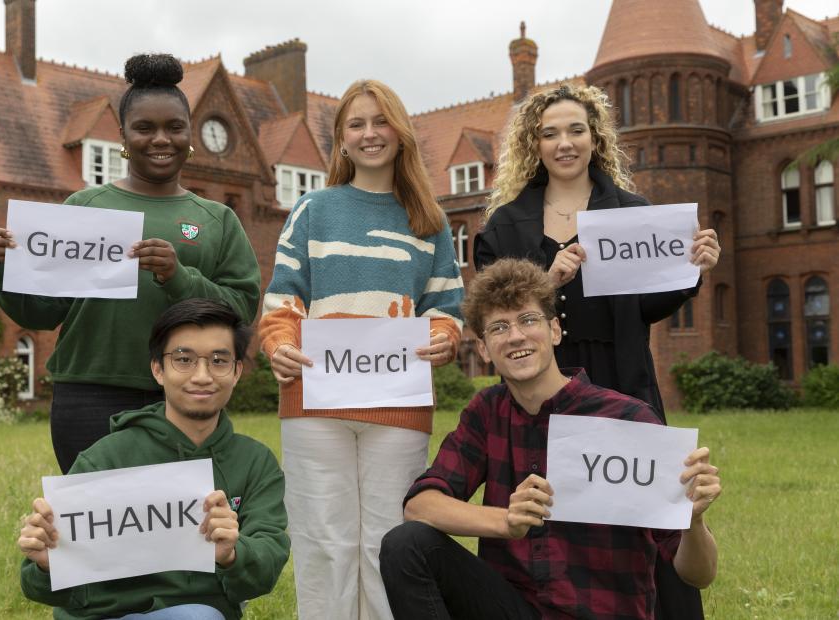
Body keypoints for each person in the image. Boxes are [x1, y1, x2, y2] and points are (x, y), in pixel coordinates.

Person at [472, 84, 720, 619]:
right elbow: (493, 308)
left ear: (595, 138)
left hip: (621, 378)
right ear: (534, 144)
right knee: (553, 514)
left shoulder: (632, 213)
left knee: (650, 510)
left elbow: (649, 303)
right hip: (543, 387)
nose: (564, 143)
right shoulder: (505, 225)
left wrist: (692, 269)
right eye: (550, 133)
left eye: (576, 130)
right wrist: (547, 279)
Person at [379, 259, 722, 620]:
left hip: (603, 612)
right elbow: (420, 506)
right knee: (406, 545)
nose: (516, 336)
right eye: (499, 327)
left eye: (528, 320)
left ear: (555, 330)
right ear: (483, 349)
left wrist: (694, 521)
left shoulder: (628, 420)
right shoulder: (488, 412)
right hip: (514, 608)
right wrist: (506, 522)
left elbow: (699, 575)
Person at [0, 54, 260, 473]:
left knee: (178, 513)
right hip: (88, 393)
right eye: (145, 128)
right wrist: (0, 268)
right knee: (94, 512)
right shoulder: (85, 205)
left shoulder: (217, 219)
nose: (160, 139)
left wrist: (178, 277)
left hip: (184, 393)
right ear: (123, 136)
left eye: (174, 127)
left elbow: (242, 308)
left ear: (189, 134)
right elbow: (42, 312)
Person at [258, 79, 465, 619]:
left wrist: (443, 337)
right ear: (341, 139)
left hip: (397, 401)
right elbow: (282, 299)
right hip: (314, 398)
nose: (370, 133)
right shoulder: (313, 209)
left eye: (380, 121)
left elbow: (447, 307)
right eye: (357, 124)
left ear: (400, 132)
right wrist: (279, 344)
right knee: (322, 542)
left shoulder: (430, 220)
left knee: (386, 542)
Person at [17, 298, 289, 620]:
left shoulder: (255, 463)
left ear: (236, 372)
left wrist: (232, 554)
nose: (202, 375)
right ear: (158, 369)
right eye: (184, 359)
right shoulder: (104, 458)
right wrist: (47, 564)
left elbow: (266, 564)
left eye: (219, 361)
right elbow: (42, 587)